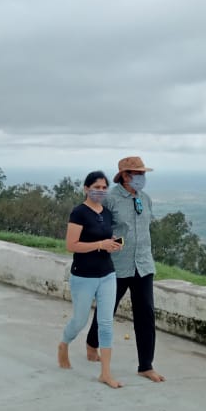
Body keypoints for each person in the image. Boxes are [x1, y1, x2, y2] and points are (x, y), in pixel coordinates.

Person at [87, 156, 166, 382]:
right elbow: (95, 224)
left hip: (143, 264)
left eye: (143, 174)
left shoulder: (145, 199)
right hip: (117, 264)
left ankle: (146, 366)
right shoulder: (109, 199)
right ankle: (92, 343)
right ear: (124, 175)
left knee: (146, 315)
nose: (142, 178)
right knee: (107, 309)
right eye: (137, 173)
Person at [58, 171, 124, 388]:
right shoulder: (79, 213)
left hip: (107, 274)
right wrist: (99, 245)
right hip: (84, 276)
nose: (101, 191)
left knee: (106, 323)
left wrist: (112, 244)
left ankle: (105, 373)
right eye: (97, 187)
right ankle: (64, 344)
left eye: (105, 187)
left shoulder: (106, 213)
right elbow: (71, 245)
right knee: (80, 320)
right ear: (86, 188)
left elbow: (104, 238)